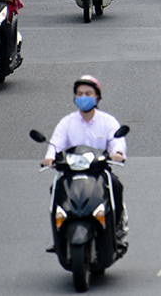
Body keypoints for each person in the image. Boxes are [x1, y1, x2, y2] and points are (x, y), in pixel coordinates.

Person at [42, 76, 127, 250]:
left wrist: (117, 153)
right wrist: (49, 158)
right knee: (55, 189)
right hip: (71, 174)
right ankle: (59, 234)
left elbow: (117, 141)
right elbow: (56, 143)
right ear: (74, 97)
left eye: (88, 93)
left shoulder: (108, 121)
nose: (83, 97)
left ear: (97, 97)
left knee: (116, 186)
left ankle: (118, 229)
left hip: (99, 173)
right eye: (79, 94)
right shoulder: (67, 122)